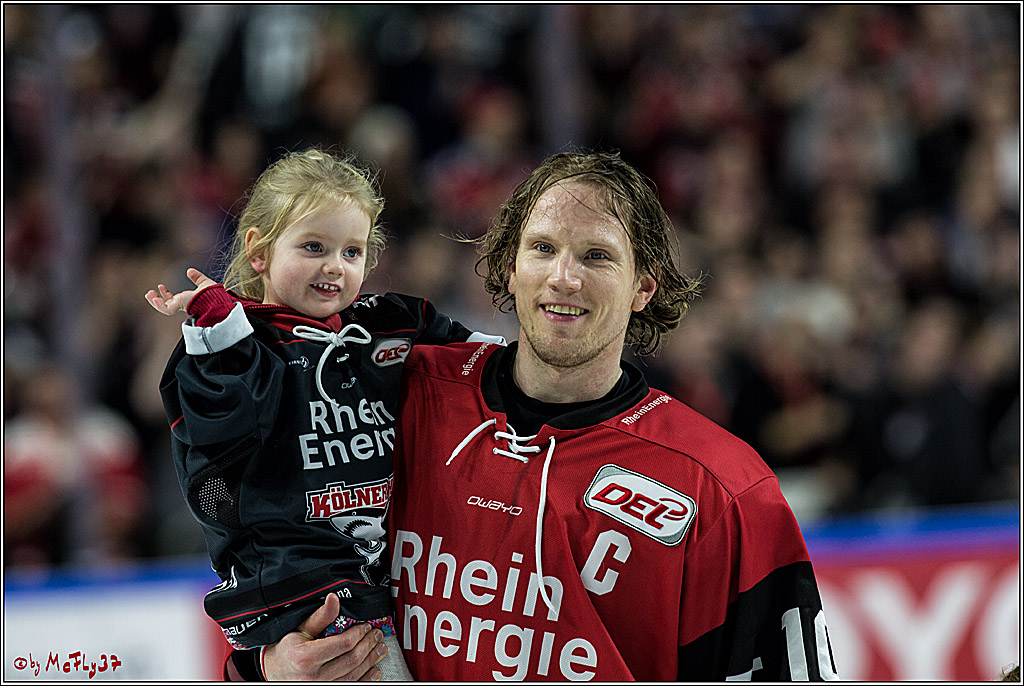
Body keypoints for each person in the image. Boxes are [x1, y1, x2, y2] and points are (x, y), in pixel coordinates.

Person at [254, 150, 839, 681]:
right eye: (543, 248)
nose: (565, 276)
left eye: (597, 255)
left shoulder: (724, 488)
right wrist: (268, 669)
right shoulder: (394, 391)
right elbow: (264, 541)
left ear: (643, 288)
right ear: (509, 267)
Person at [148, 147, 502, 680]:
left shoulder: (390, 323)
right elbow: (225, 430)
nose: (335, 265)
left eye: (352, 251)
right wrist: (223, 335)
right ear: (259, 252)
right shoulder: (232, 348)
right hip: (298, 594)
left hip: (395, 581)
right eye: (313, 246)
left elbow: (492, 369)